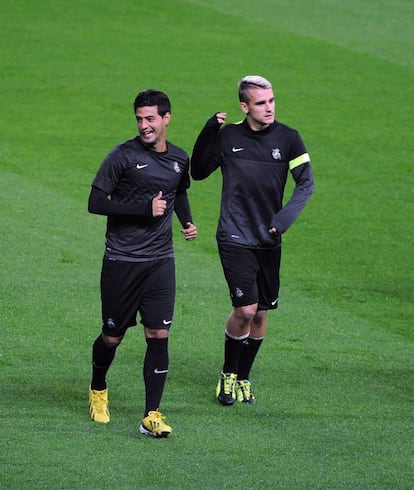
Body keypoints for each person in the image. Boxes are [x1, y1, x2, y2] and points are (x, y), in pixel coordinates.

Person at [190, 75, 314, 406]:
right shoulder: (229, 136)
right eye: (261, 103)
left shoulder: (289, 139)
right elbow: (198, 171)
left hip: (269, 238)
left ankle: (244, 378)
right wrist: (208, 132)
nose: (269, 107)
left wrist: (284, 219)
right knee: (245, 309)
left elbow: (306, 183)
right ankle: (228, 374)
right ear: (245, 107)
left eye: (271, 101)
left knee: (260, 314)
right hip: (234, 235)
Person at [87, 89, 197, 437]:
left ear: (166, 118)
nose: (144, 125)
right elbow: (95, 202)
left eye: (150, 118)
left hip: (160, 261)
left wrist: (186, 221)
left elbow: (178, 191)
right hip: (122, 260)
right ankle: (98, 388)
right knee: (113, 336)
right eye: (139, 119)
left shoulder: (179, 158)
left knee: (158, 333)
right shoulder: (122, 156)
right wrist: (142, 210)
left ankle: (152, 414)